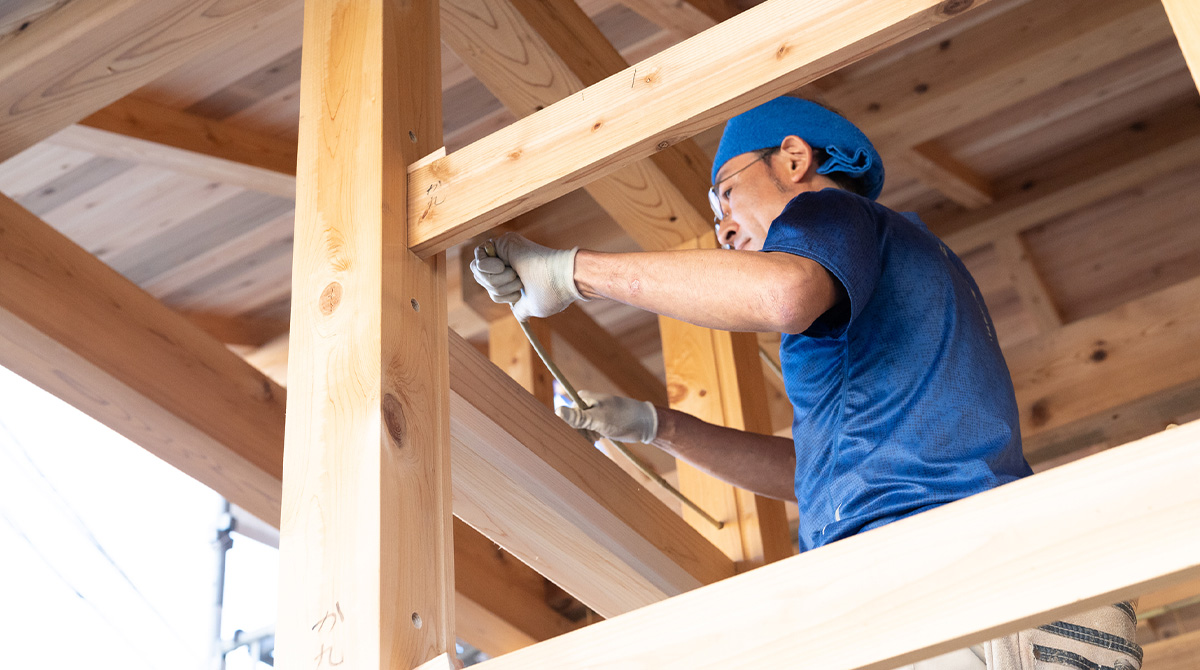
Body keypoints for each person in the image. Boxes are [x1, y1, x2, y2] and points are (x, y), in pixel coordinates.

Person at [470, 96, 1140, 670]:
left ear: (793, 158)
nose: (725, 228)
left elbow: (786, 293)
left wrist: (572, 272)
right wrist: (658, 426)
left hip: (939, 573)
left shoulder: (830, 215)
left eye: (726, 194)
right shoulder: (906, 272)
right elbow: (817, 471)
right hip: (1028, 584)